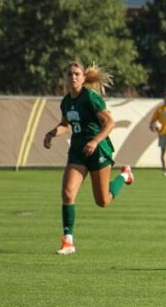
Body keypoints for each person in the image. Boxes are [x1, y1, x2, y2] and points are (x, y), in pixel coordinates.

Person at [43, 62, 134, 255]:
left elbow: (110, 123)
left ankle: (124, 176)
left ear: (83, 78)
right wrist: (52, 133)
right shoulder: (66, 101)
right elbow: (65, 125)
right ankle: (68, 241)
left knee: (102, 201)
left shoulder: (92, 98)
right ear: (66, 78)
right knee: (68, 193)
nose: (73, 77)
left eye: (77, 74)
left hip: (98, 150)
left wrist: (95, 140)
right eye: (69, 74)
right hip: (77, 152)